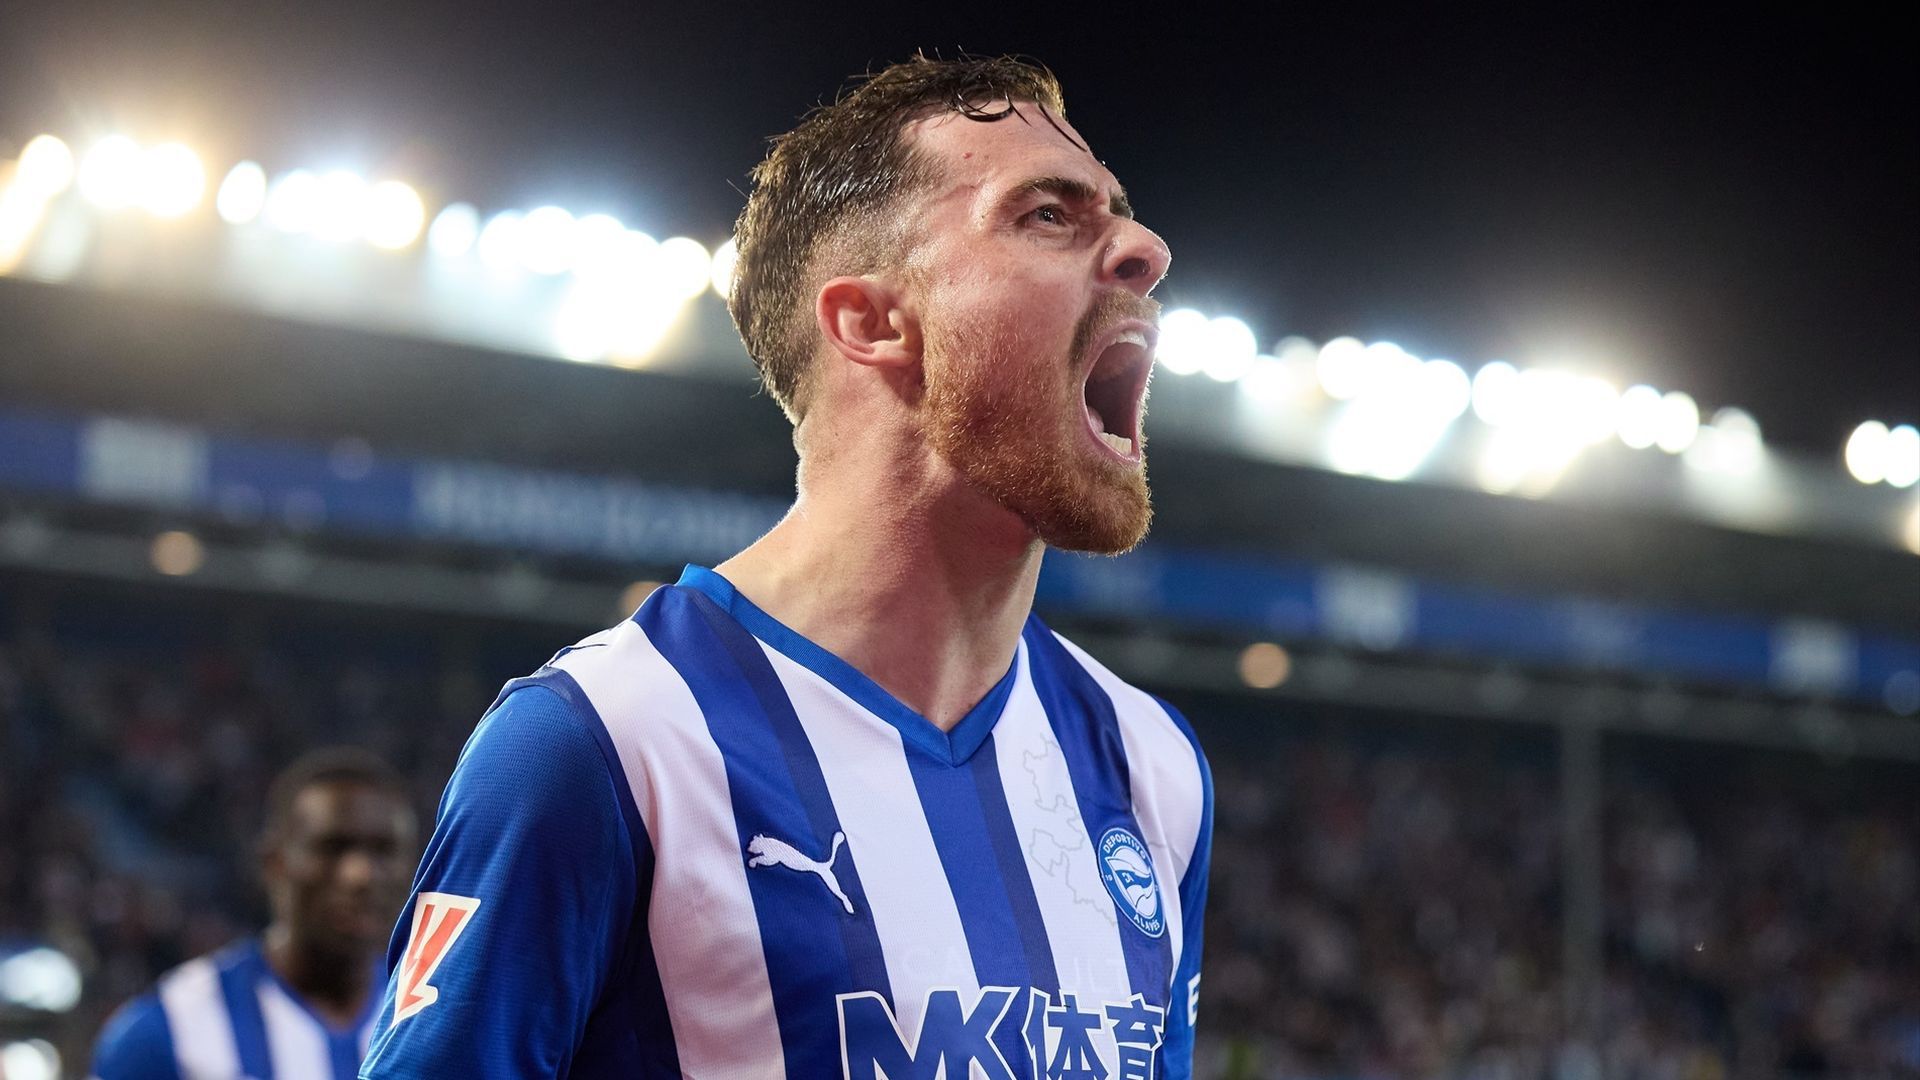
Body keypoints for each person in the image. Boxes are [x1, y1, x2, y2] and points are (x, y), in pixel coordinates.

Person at [361, 53, 1212, 1079]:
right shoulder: (607, 741)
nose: (1146, 250)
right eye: (1046, 215)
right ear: (872, 322)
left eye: (1120, 214)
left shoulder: (1153, 767)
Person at [91, 748, 418, 1080]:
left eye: (384, 850)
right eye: (332, 848)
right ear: (274, 863)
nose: (361, 875)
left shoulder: (431, 1025)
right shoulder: (170, 1032)